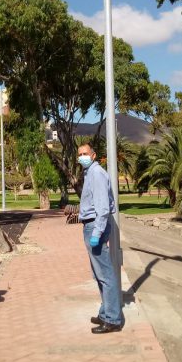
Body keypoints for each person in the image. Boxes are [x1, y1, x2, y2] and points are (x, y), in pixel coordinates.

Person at [77, 142, 124, 333]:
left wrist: (96, 233)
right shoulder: (90, 173)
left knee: (105, 274)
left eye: (85, 153)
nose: (82, 157)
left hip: (94, 226)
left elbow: (103, 208)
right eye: (79, 154)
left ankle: (113, 319)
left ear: (93, 155)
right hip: (91, 225)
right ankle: (106, 313)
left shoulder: (96, 174)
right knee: (99, 274)